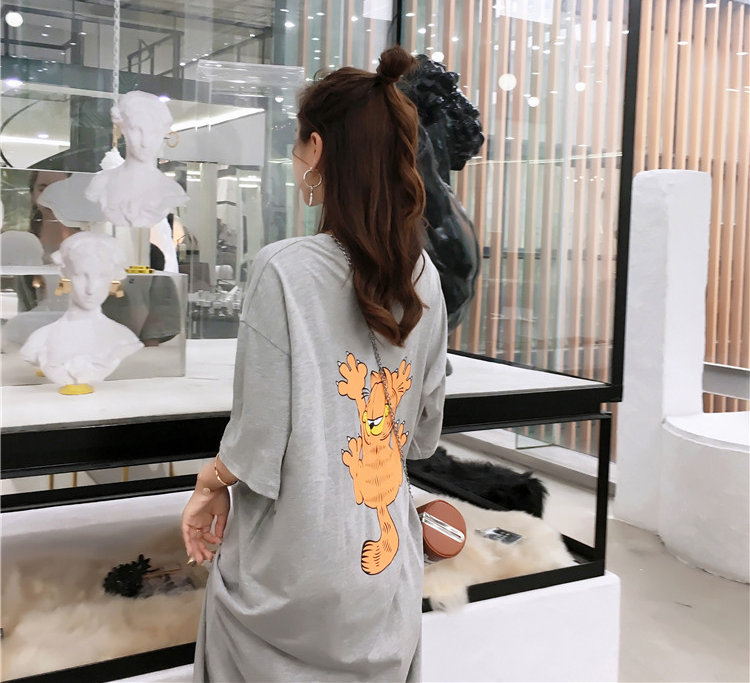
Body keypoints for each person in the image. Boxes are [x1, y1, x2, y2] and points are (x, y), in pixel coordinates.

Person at [181, 46, 448, 683]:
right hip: (385, 572)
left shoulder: (284, 269)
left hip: (294, 577)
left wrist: (209, 484)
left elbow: (259, 441)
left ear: (318, 148)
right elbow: (424, 434)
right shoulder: (426, 279)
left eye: (297, 144)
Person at [20, 231, 143, 390]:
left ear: (114, 278)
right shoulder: (40, 339)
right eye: (81, 276)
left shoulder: (123, 338)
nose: (91, 289)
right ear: (65, 274)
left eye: (102, 276)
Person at [85, 91, 188, 227]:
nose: (145, 142)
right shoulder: (101, 183)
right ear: (123, 130)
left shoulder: (171, 191)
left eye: (154, 133)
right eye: (136, 130)